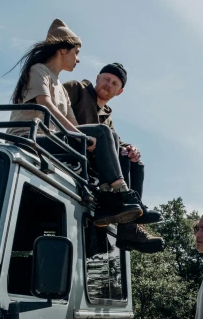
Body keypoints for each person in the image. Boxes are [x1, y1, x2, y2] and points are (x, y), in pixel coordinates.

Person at [8, 20, 149, 235]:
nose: (78, 59)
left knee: (106, 133)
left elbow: (74, 125)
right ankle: (120, 190)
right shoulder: (39, 71)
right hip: (29, 137)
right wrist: (79, 136)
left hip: (52, 140)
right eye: (76, 52)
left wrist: (84, 137)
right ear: (63, 50)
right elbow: (45, 104)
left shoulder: (61, 89)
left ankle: (114, 201)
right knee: (103, 132)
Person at [64, 65, 163, 253]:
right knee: (113, 144)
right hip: (70, 146)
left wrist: (130, 148)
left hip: (91, 156)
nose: (108, 85)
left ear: (120, 91)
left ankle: (130, 223)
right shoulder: (77, 88)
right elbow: (54, 107)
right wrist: (80, 135)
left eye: (114, 83)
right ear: (97, 78)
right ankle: (122, 200)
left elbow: (114, 140)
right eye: (106, 79)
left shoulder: (107, 116)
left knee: (132, 158)